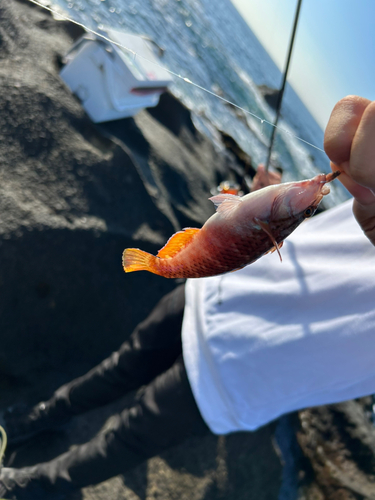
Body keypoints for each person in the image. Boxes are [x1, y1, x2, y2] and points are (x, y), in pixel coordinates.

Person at [0, 94, 375, 499]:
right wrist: (257, 205)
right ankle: (36, 419)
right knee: (121, 366)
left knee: (128, 437)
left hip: (254, 365)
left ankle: (31, 485)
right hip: (215, 289)